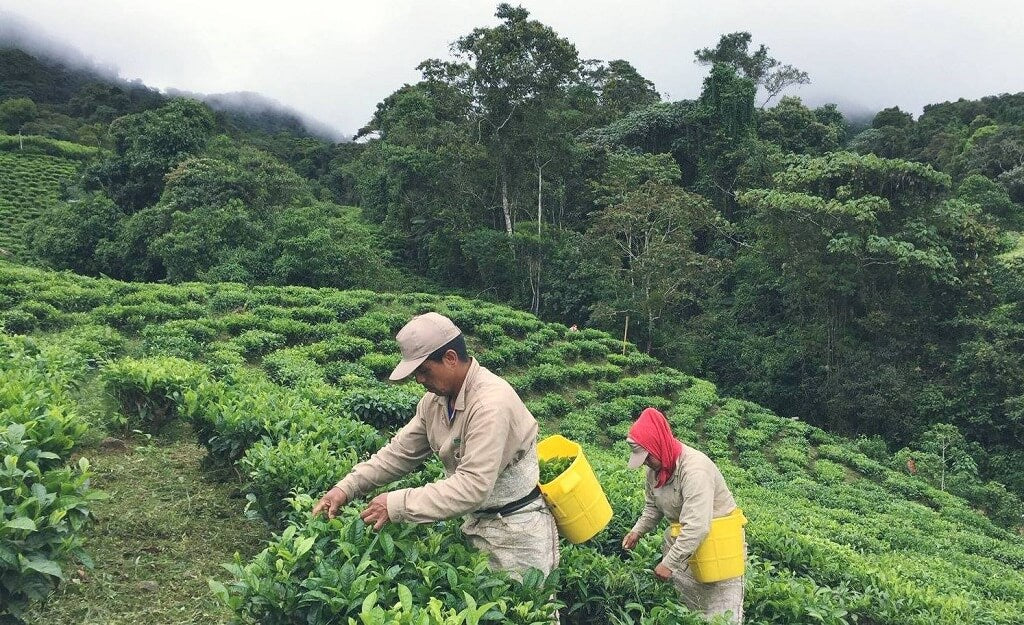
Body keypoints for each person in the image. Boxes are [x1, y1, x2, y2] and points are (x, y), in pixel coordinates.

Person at [312, 312, 559, 579]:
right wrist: (345, 488)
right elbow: (399, 453)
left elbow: (472, 486)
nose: (419, 380)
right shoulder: (436, 401)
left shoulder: (490, 404)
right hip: (476, 522)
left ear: (450, 358)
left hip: (516, 533)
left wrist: (397, 504)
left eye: (423, 370)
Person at [620, 407, 745, 623]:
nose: (646, 463)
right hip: (687, 550)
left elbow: (697, 527)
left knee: (721, 615)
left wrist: (669, 563)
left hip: (718, 550)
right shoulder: (654, 471)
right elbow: (653, 507)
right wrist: (636, 531)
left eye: (648, 457)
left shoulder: (695, 470)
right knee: (691, 613)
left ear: (658, 445)